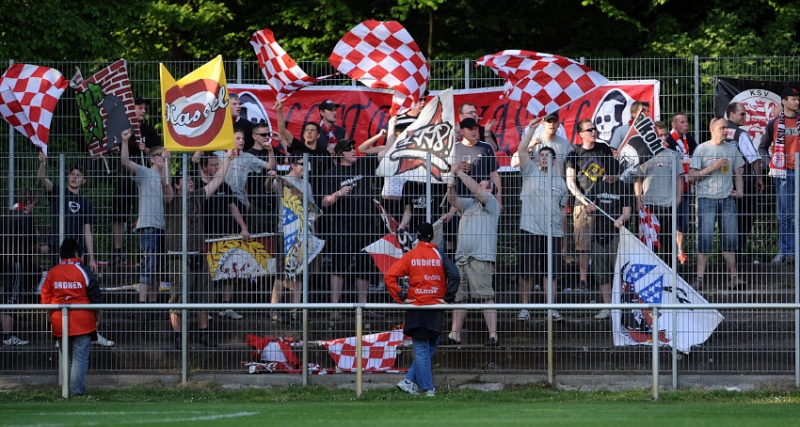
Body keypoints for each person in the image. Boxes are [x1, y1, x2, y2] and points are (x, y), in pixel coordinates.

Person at [37, 153, 114, 347]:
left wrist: (92, 258)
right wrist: (42, 164)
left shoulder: (86, 204)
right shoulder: (59, 192)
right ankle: (59, 334)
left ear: (84, 180)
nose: (74, 177)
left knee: (86, 293)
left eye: (78, 174)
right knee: (59, 293)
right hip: (59, 251)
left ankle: (92, 334)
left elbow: (87, 231)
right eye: (72, 173)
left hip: (78, 255)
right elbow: (41, 180)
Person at [164, 151, 234, 349]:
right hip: (178, 256)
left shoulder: (198, 197)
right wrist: (166, 161)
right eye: (185, 181)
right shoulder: (171, 199)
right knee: (178, 294)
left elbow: (218, 179)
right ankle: (178, 336)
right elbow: (164, 184)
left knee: (205, 294)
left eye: (192, 180)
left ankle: (204, 333)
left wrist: (228, 157)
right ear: (177, 185)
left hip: (198, 253)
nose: (191, 183)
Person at [386, 222, 459, 397]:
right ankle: (427, 388)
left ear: (416, 237)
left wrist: (400, 297)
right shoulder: (439, 254)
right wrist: (448, 298)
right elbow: (455, 275)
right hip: (435, 306)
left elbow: (389, 276)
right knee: (428, 346)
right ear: (433, 236)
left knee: (423, 347)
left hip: (416, 306)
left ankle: (413, 382)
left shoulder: (411, 255)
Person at [443, 164, 500, 346]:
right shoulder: (469, 204)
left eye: (482, 185)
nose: (477, 187)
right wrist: (451, 182)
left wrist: (459, 172)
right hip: (462, 258)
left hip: (481, 257)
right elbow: (453, 200)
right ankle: (455, 334)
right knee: (460, 297)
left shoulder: (491, 203)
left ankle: (493, 336)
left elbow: (475, 189)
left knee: (485, 296)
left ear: (491, 190)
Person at [321, 139, 379, 318]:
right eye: (348, 150)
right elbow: (324, 202)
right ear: (340, 155)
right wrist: (337, 194)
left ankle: (362, 308)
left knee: (365, 266)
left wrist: (388, 130)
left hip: (367, 224)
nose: (353, 151)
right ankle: (334, 309)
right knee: (339, 266)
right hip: (344, 226)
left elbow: (385, 153)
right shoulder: (332, 174)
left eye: (353, 148)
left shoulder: (363, 164)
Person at [689, 117, 746, 290]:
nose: (725, 131)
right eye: (722, 128)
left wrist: (740, 191)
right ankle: (699, 279)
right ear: (712, 129)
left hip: (727, 199)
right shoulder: (702, 149)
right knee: (705, 239)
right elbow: (692, 176)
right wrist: (713, 167)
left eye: (726, 128)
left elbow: (738, 172)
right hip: (706, 199)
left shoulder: (732, 149)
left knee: (729, 239)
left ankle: (734, 277)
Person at [40, 238, 102, 396]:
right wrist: (97, 319)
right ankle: (77, 393)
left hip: (59, 322)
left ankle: (66, 391)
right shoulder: (84, 271)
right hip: (84, 322)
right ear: (76, 254)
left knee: (65, 358)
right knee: (80, 358)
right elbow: (96, 298)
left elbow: (45, 299)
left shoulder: (53, 272)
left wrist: (51, 318)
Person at [119, 128, 173, 305]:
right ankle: (142, 303)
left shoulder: (165, 177)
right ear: (151, 159)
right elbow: (125, 162)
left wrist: (167, 162)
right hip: (148, 225)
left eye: (162, 156)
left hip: (161, 226)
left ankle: (153, 303)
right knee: (148, 264)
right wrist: (125, 142)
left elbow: (168, 196)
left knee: (158, 268)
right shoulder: (145, 172)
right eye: (158, 156)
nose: (161, 158)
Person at [516, 146, 568, 321]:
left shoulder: (560, 182)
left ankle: (550, 309)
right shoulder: (530, 171)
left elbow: (563, 212)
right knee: (526, 271)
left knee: (550, 273)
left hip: (553, 233)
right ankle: (525, 308)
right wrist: (531, 130)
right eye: (542, 155)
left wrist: (564, 237)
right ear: (538, 159)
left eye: (548, 156)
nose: (544, 158)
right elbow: (521, 150)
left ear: (554, 160)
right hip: (530, 229)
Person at [197, 152, 250, 319]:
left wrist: (243, 227)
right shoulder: (197, 187)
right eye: (212, 165)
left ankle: (226, 307)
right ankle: (208, 309)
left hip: (226, 235)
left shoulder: (224, 186)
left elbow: (233, 207)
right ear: (204, 168)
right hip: (205, 237)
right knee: (208, 274)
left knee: (229, 272)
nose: (216, 167)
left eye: (217, 164)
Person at [565, 119, 616, 292]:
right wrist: (586, 202)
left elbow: (611, 174)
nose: (593, 132)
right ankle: (583, 281)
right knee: (583, 245)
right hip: (582, 204)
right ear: (581, 134)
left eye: (594, 128)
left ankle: (608, 280)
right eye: (589, 130)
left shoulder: (603, 149)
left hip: (605, 203)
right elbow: (570, 183)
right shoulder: (574, 154)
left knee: (606, 242)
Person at [111, 97, 161, 268]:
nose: (143, 110)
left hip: (145, 179)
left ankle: (143, 253)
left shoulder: (149, 131)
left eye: (144, 108)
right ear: (131, 110)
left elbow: (158, 153)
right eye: (139, 107)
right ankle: (117, 253)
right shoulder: (123, 128)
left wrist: (145, 149)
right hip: (125, 176)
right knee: (119, 214)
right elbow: (111, 147)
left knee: (143, 215)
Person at [272, 155, 320, 323]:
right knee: (281, 273)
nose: (304, 168)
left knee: (298, 273)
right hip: (284, 231)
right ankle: (275, 309)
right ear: (292, 165)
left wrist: (311, 232)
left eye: (306, 164)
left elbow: (311, 210)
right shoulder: (282, 181)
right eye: (301, 164)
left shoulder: (306, 184)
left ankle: (295, 311)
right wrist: (273, 176)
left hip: (302, 233)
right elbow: (268, 187)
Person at [758, 87, 800, 264]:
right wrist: (771, 163)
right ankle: (786, 252)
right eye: (793, 99)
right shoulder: (774, 123)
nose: (797, 102)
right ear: (784, 102)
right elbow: (762, 147)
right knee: (785, 214)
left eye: (798, 99)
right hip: (784, 173)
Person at [2, 189, 47, 346]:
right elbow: (30, 245)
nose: (33, 208)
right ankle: (8, 336)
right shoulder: (24, 218)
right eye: (34, 205)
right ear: (28, 203)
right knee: (11, 297)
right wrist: (42, 248)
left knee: (7, 295)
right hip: (15, 263)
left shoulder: (6, 215)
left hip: (4, 262)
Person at [587, 166, 632, 320]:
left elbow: (627, 213)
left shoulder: (624, 187)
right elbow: (587, 207)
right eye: (608, 174)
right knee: (601, 273)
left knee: (618, 272)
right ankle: (607, 306)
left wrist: (621, 219)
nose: (610, 177)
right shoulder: (598, 185)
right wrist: (589, 208)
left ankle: (620, 307)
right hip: (598, 234)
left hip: (616, 235)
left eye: (613, 174)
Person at [725, 101, 765, 262]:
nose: (745, 117)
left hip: (723, 183)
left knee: (727, 219)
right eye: (742, 113)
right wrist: (759, 178)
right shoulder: (740, 133)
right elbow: (754, 159)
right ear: (731, 114)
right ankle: (738, 254)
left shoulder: (718, 131)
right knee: (746, 216)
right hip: (744, 182)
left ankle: (729, 255)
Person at [633, 147, 683, 263]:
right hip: (647, 205)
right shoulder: (643, 153)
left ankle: (670, 273)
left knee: (667, 242)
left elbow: (679, 177)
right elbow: (638, 179)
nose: (663, 138)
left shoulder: (673, 154)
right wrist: (638, 199)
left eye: (665, 135)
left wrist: (678, 197)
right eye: (660, 135)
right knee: (648, 241)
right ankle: (650, 273)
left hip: (667, 204)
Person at [665, 112, 698, 265]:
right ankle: (668, 252)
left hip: (686, 186)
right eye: (682, 122)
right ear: (674, 125)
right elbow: (669, 160)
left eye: (687, 121)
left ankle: (680, 251)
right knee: (669, 220)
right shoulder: (668, 140)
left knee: (682, 221)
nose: (686, 124)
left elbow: (697, 156)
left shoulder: (689, 139)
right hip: (670, 188)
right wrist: (687, 161)